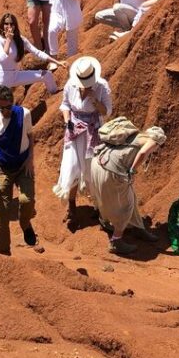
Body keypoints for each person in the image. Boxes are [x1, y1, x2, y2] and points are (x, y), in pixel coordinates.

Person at [88, 120, 165, 256]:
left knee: (130, 198)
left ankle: (138, 227)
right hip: (111, 171)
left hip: (98, 164)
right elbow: (142, 154)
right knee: (126, 207)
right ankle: (116, 242)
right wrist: (132, 171)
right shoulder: (153, 140)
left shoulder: (135, 135)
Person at [53, 57, 112, 230]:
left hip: (93, 131)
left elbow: (107, 111)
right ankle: (71, 207)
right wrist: (67, 122)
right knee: (71, 167)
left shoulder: (101, 86)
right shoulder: (70, 85)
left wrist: (95, 100)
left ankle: (100, 208)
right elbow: (65, 106)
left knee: (92, 170)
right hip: (73, 130)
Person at [0, 85, 38, 255]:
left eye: (8, 106)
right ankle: (2, 252)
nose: (6, 110)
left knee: (27, 200)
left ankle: (26, 224)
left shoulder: (24, 114)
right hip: (3, 168)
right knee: (2, 213)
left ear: (13, 102)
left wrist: (30, 160)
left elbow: (30, 136)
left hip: (22, 165)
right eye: (1, 107)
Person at [0, 12, 58, 94]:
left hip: (16, 75)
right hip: (2, 78)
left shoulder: (20, 39)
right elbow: (2, 59)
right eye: (6, 24)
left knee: (47, 75)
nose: (9, 26)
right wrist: (8, 40)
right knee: (0, 104)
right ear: (2, 25)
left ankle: (54, 96)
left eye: (12, 24)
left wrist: (56, 62)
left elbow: (37, 52)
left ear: (15, 26)